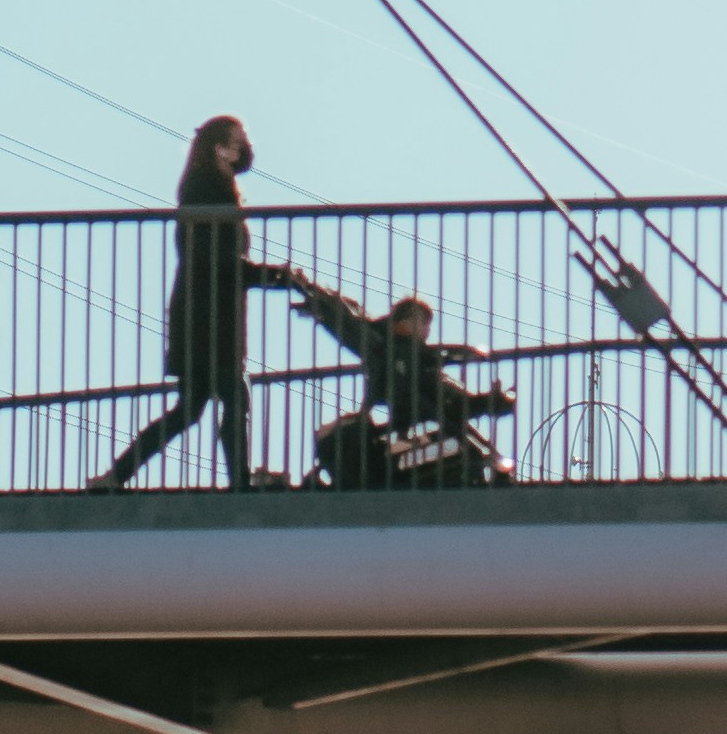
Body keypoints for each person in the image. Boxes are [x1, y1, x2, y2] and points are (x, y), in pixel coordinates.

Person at [92, 117, 280, 490]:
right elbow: (216, 257)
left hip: (204, 314)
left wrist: (262, 274)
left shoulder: (210, 185)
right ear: (219, 147)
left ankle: (116, 475)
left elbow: (219, 258)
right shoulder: (207, 187)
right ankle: (239, 484)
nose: (243, 149)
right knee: (230, 399)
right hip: (208, 318)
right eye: (237, 142)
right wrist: (267, 275)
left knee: (192, 409)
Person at [272, 274, 516, 492]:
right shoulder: (386, 348)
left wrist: (491, 401)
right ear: (403, 322)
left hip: (415, 435)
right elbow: (348, 321)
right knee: (468, 448)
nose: (426, 331)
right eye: (422, 323)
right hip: (400, 439)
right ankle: (494, 472)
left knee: (467, 446)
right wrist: (313, 293)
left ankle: (492, 468)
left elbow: (451, 400)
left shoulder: (420, 358)